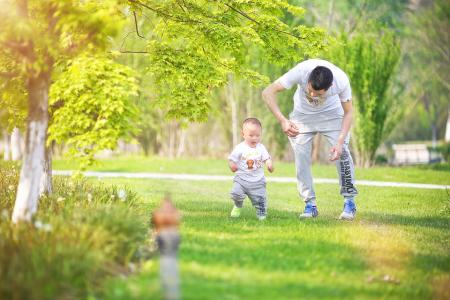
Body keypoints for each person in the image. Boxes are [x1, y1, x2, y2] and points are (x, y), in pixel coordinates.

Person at [262, 58, 358, 220]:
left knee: (343, 154)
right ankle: (310, 204)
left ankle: (349, 202)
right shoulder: (301, 72)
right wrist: (283, 120)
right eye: (310, 89)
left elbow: (349, 113)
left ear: (330, 87)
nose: (312, 95)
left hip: (332, 116)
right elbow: (267, 92)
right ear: (308, 80)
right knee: (301, 157)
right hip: (302, 117)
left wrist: (340, 142)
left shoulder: (341, 81)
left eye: (318, 94)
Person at [228, 118, 274, 220]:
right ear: (243, 134)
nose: (255, 138)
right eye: (251, 135)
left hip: (257, 181)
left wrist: (269, 164)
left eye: (258, 135)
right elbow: (231, 159)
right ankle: (238, 205)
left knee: (260, 200)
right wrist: (232, 166)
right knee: (236, 194)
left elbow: (267, 158)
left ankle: (261, 213)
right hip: (241, 179)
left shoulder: (261, 148)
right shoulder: (240, 148)